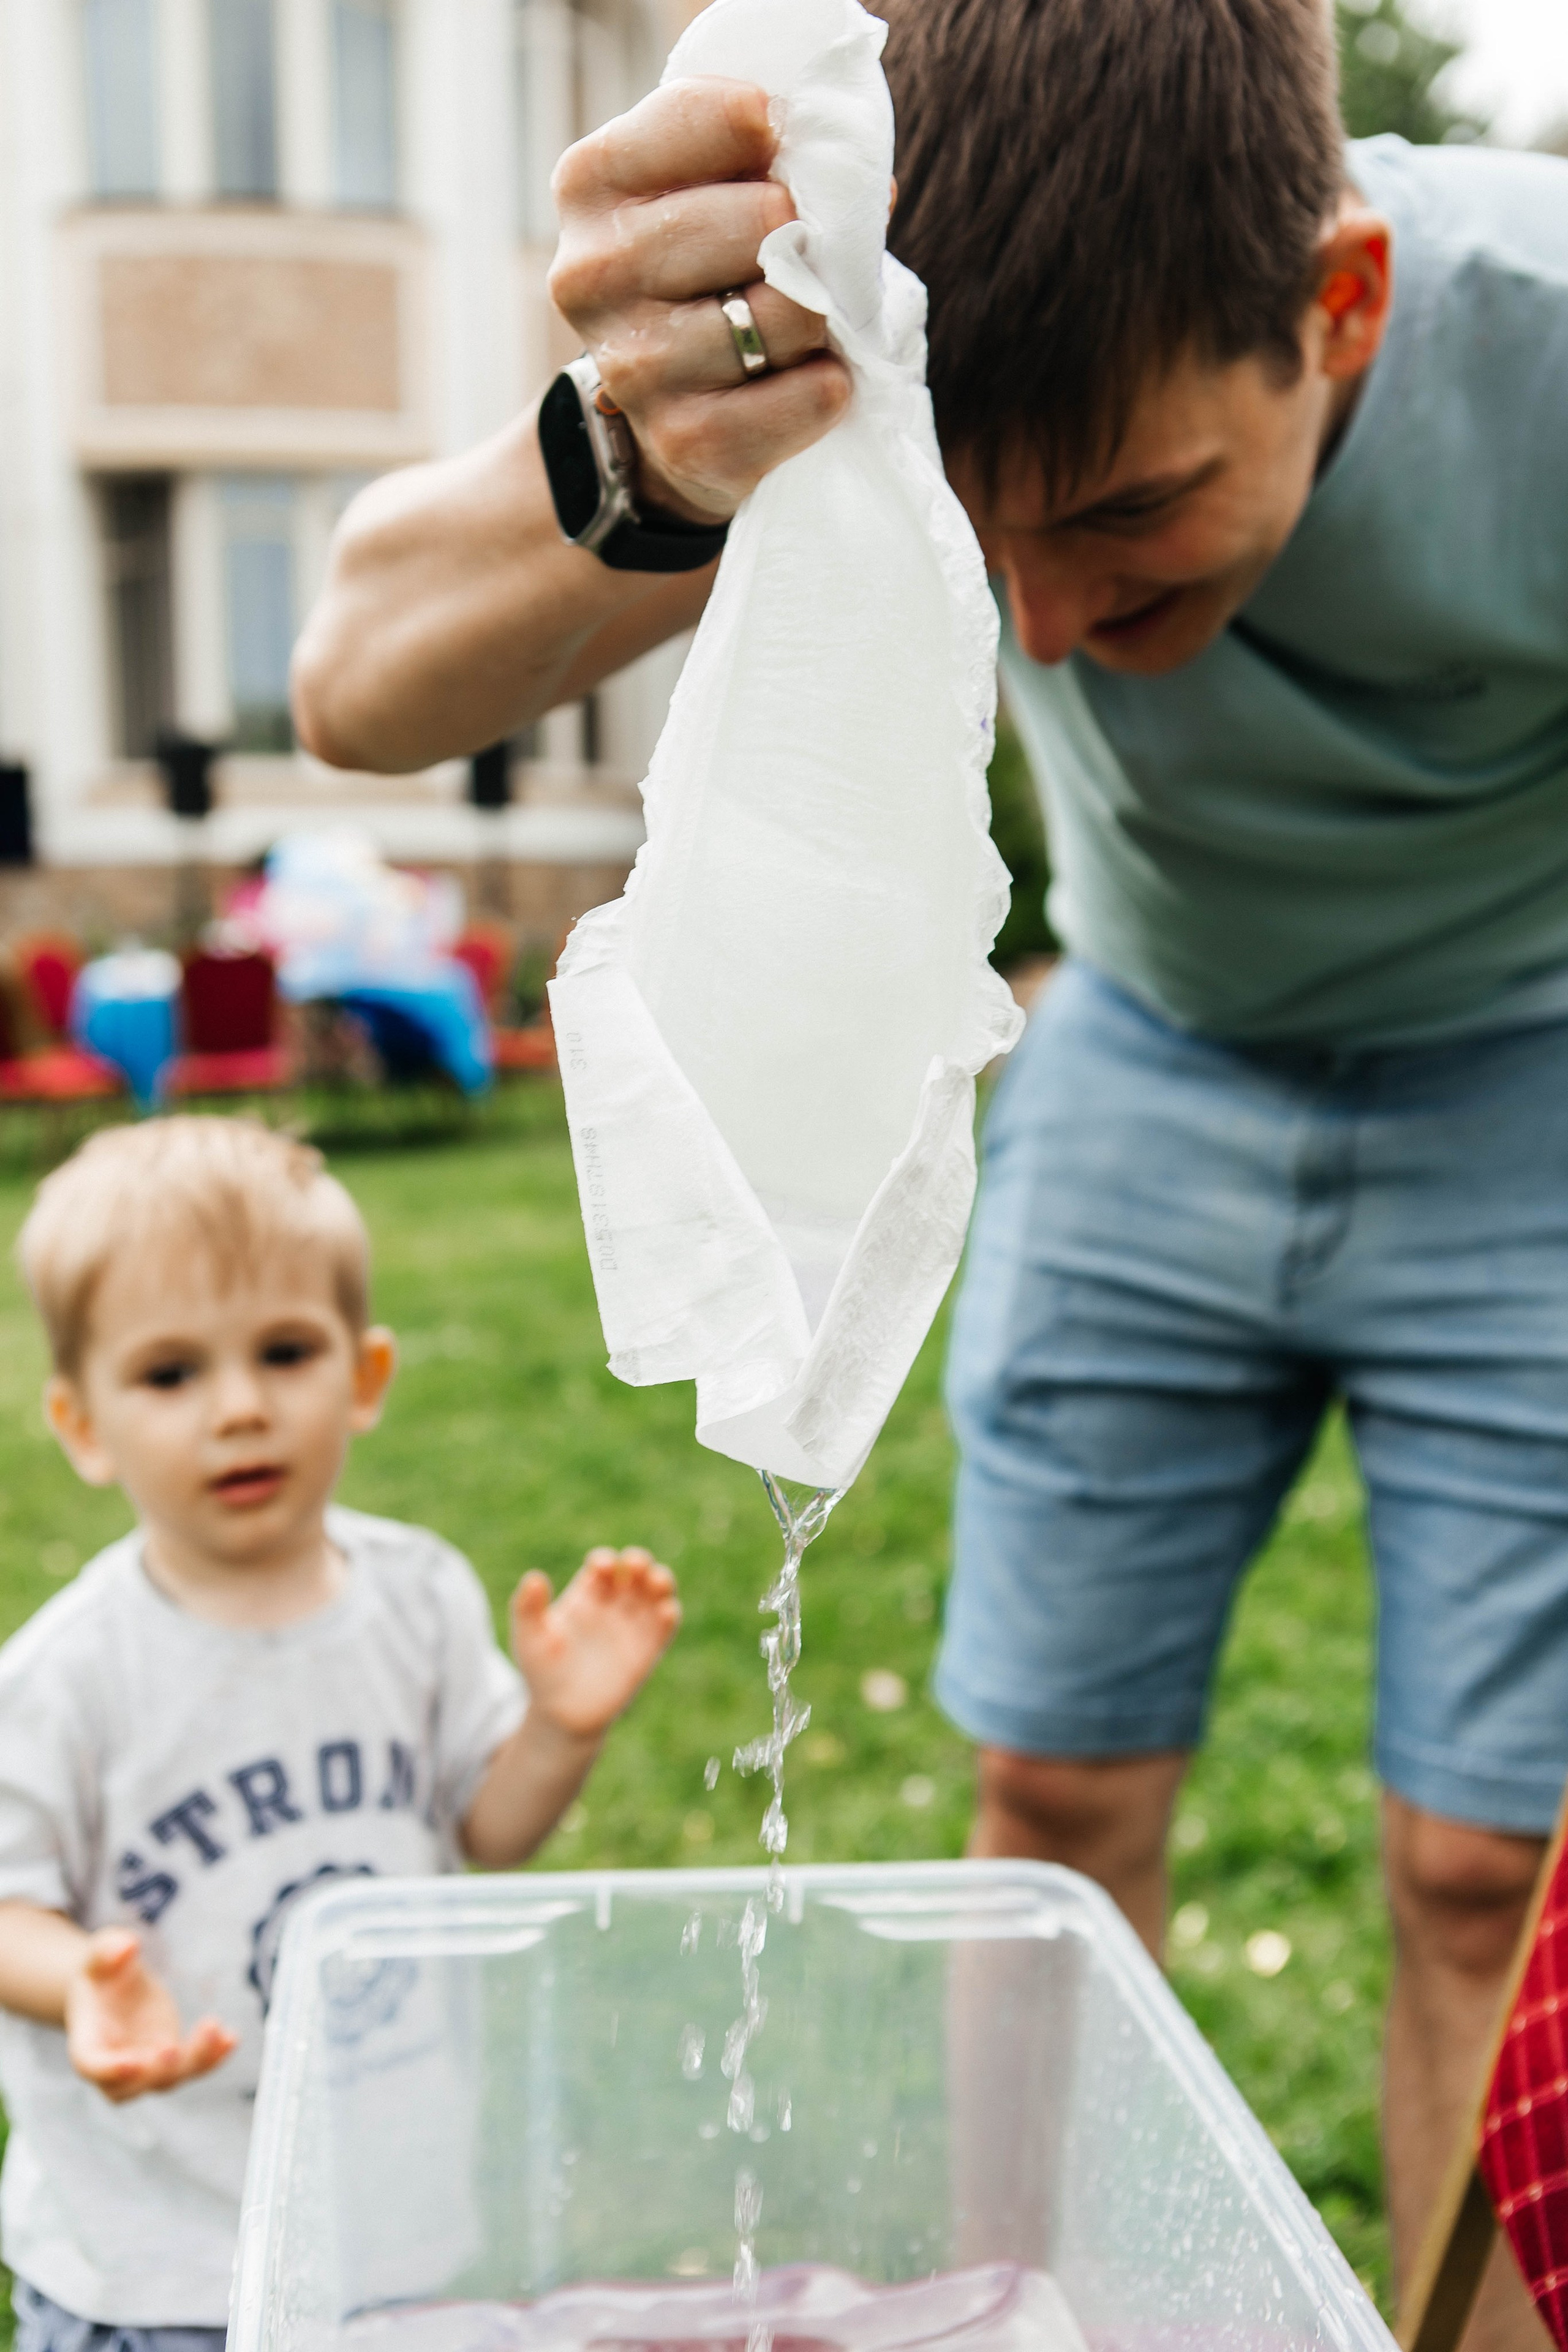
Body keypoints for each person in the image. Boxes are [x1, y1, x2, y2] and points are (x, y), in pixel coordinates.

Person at [292, 2, 1568, 2342]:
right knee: (1055, 1808)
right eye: (986, 549)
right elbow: (355, 675)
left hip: (1530, 1084)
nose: (1050, 637)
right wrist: (654, 459)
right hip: (1146, 1055)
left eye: (1126, 516)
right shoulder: (863, 368)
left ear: (1343, 312)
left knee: (1493, 1871)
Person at [0, 1117, 680, 2351]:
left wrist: (558, 1732)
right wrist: (76, 1991)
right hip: (160, 2266)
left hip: (392, 2242)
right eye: (170, 1374)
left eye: (285, 1350)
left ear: (363, 1377)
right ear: (83, 1423)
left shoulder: (416, 1600)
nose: (241, 1408)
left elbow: (489, 1831)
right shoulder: (66, 1679)